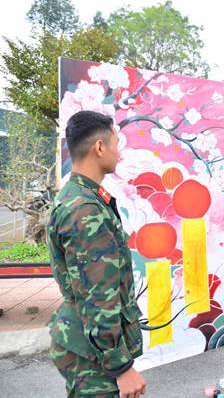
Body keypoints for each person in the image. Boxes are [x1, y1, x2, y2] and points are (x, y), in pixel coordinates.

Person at [47, 111, 146, 398]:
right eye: (116, 143)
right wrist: (121, 367)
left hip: (87, 343)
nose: (119, 152)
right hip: (93, 356)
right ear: (100, 147)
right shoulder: (85, 209)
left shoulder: (79, 196)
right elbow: (98, 296)